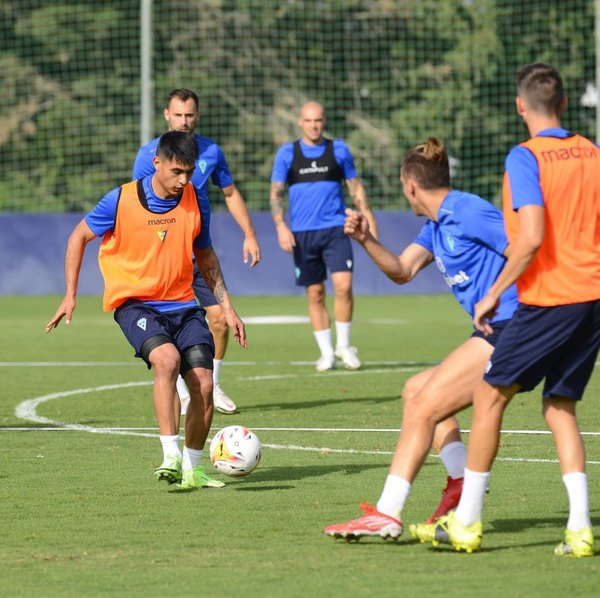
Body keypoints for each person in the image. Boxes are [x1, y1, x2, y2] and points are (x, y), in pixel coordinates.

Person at [412, 64, 599, 557]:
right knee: (560, 407)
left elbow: (532, 235)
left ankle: (467, 522)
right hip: (593, 298)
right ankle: (580, 529)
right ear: (562, 104)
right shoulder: (592, 152)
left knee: (489, 396)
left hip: (550, 297)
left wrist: (495, 290)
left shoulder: (525, 157)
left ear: (521, 106)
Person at [324, 137, 519, 540]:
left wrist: (499, 296)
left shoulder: (467, 210)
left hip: (512, 326)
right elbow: (401, 270)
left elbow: (523, 246)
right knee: (416, 389)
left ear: (411, 185)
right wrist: (365, 240)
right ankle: (461, 481)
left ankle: (387, 511)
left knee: (424, 404)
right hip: (492, 329)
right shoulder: (436, 226)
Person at [46, 131, 247, 490]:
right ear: (157, 163)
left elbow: (206, 257)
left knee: (203, 383)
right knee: (167, 360)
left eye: (188, 173)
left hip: (184, 306)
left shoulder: (193, 201)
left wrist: (227, 308)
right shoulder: (120, 200)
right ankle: (169, 457)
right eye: (175, 172)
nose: (183, 181)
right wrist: (70, 294)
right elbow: (78, 236)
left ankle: (193, 469)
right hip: (135, 303)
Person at [133, 88, 260, 415]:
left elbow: (230, 193)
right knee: (168, 325)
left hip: (198, 252)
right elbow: (135, 203)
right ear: (166, 115)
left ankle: (212, 384)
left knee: (219, 318)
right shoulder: (148, 154)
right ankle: (182, 389)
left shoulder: (212, 151)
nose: (183, 121)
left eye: (189, 115)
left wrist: (249, 233)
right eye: (178, 114)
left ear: (197, 116)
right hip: (162, 256)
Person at [269, 101, 378, 372]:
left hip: (336, 231)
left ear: (324, 121)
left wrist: (367, 215)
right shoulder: (287, 153)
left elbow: (355, 187)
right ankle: (326, 352)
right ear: (300, 122)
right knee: (315, 293)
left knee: (343, 287)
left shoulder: (338, 150)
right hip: (304, 234)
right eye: (308, 120)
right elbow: (276, 194)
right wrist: (281, 226)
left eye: (318, 120)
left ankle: (344, 345)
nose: (314, 125)